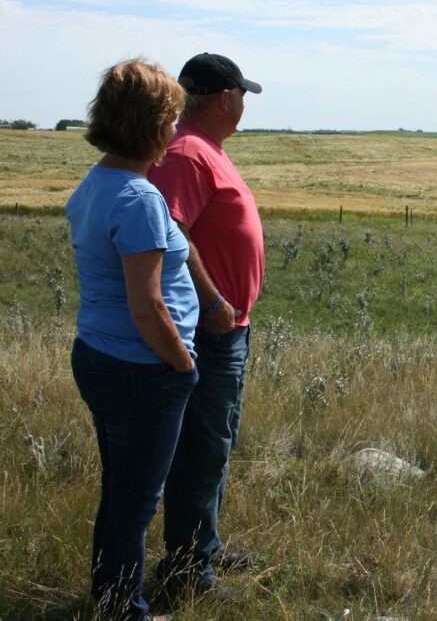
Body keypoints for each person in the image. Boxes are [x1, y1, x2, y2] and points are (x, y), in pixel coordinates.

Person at [66, 59, 198, 621]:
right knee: (136, 501)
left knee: (120, 492)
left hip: (100, 354)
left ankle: (113, 603)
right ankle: (125, 613)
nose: (174, 131)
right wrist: (182, 364)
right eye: (170, 119)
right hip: (141, 368)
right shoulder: (139, 198)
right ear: (149, 123)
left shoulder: (96, 182)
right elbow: (147, 306)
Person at [147, 53, 264, 595]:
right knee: (201, 446)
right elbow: (169, 230)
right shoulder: (187, 153)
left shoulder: (201, 148)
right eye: (242, 95)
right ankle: (188, 570)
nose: (243, 105)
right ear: (225, 99)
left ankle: (204, 548)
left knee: (216, 440)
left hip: (225, 326)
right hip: (209, 328)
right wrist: (214, 300)